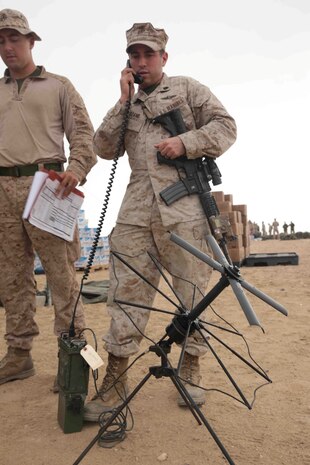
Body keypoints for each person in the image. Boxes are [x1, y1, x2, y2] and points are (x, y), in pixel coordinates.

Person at [84, 22, 237, 421]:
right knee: (126, 293)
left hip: (184, 211)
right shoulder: (128, 105)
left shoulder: (186, 89)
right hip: (136, 213)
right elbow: (102, 148)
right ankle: (115, 379)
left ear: (163, 58)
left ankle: (190, 368)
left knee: (193, 294)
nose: (141, 62)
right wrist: (122, 99)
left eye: (148, 54)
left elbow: (226, 126)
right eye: (134, 55)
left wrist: (185, 143)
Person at [0, 9, 97, 386]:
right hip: (3, 191)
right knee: (11, 277)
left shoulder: (59, 86)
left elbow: (84, 137)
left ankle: (71, 357)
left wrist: (77, 169)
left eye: (14, 39)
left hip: (50, 187)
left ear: (31, 42)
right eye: (1, 41)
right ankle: (19, 354)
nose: (8, 47)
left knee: (61, 276)